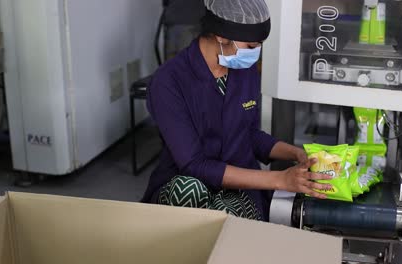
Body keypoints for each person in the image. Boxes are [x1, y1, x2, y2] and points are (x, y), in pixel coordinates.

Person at [141, 0, 332, 221]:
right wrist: (281, 179)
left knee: (226, 214)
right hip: (185, 179)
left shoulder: (243, 69)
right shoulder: (169, 81)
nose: (256, 54)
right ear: (221, 36)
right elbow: (194, 164)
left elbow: (249, 134)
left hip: (240, 183)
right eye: (251, 46)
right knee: (189, 189)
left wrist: (296, 153)